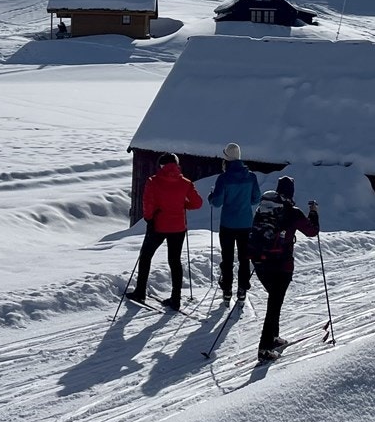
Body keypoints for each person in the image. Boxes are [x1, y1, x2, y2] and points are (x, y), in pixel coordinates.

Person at [248, 175, 320, 363]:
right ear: (291, 193)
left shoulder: (263, 208)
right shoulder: (293, 212)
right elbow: (312, 231)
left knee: (275, 300)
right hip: (282, 265)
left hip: (260, 261)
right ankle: (264, 349)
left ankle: (273, 337)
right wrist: (313, 212)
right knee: (274, 303)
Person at [128, 153, 202, 311]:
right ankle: (176, 298)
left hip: (158, 226)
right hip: (178, 227)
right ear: (176, 164)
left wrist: (149, 219)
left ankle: (140, 291)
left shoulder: (153, 181)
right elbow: (197, 203)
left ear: (162, 165)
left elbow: (148, 203)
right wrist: (182, 205)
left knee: (146, 256)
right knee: (175, 261)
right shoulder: (186, 183)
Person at [209, 142, 261, 302]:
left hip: (228, 224)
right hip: (245, 223)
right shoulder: (251, 177)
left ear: (226, 160)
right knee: (244, 257)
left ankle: (227, 289)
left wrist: (211, 196)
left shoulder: (223, 178)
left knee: (227, 257)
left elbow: (216, 202)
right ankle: (242, 289)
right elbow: (256, 199)